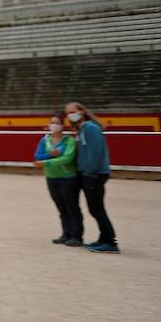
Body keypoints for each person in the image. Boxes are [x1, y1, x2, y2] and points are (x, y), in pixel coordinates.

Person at [64, 101, 118, 253]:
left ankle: (110, 242)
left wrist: (89, 172)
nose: (70, 115)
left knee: (97, 209)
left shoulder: (90, 128)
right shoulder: (82, 129)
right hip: (90, 174)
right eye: (68, 113)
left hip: (94, 174)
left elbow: (95, 152)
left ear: (81, 112)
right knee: (95, 209)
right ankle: (104, 238)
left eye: (73, 111)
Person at [34, 114, 81, 246]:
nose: (54, 125)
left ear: (62, 125)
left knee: (71, 206)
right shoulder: (45, 140)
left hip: (68, 178)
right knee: (61, 207)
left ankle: (76, 236)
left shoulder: (69, 141)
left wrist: (46, 162)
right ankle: (66, 234)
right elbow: (37, 156)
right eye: (52, 122)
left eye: (57, 123)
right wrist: (50, 155)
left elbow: (67, 159)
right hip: (51, 177)